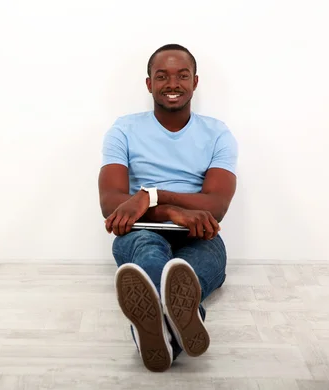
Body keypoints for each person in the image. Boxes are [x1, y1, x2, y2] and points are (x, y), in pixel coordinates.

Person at [98, 44, 238, 372]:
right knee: (148, 253)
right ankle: (185, 323)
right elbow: (110, 203)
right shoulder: (124, 129)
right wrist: (171, 211)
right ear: (149, 84)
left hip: (200, 233)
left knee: (187, 274)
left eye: (181, 76)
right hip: (140, 229)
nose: (172, 84)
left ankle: (157, 334)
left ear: (195, 82)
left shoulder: (217, 133)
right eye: (162, 76)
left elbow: (215, 206)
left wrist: (152, 196)